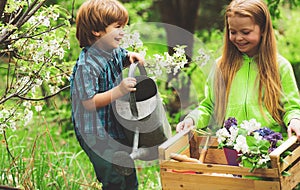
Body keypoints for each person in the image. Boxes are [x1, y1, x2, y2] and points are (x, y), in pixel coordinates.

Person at [176, 0, 300, 141]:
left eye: (245, 32)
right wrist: (192, 119)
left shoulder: (280, 66)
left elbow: (291, 107)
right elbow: (210, 106)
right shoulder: (220, 67)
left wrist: (295, 120)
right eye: (233, 32)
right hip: (230, 151)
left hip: (269, 150)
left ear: (263, 30)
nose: (239, 38)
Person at [70, 0, 144, 189]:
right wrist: (118, 91)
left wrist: (130, 57)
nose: (122, 32)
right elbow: (88, 102)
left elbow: (122, 56)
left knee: (128, 174)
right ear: (97, 31)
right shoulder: (87, 65)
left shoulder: (113, 51)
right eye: (118, 27)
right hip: (94, 134)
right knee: (113, 179)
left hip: (114, 129)